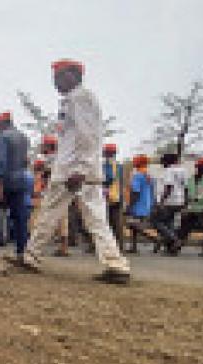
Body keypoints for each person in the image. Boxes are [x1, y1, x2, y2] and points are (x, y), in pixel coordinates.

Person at [22, 59, 130, 283]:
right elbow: (72, 139)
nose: (55, 83)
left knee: (65, 215)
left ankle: (31, 257)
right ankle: (116, 265)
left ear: (72, 75)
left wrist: (80, 169)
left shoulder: (81, 97)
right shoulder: (71, 100)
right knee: (83, 217)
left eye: (58, 77)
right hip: (73, 170)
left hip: (76, 172)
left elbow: (87, 135)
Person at [0, 112, 32, 260]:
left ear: (2, 124)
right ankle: (22, 250)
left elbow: (2, 162)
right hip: (22, 180)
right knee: (20, 217)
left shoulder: (3, 137)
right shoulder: (24, 137)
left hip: (8, 181)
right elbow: (26, 160)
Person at [177, 158, 203, 256]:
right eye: (199, 166)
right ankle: (175, 248)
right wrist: (186, 202)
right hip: (192, 208)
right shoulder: (191, 178)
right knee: (184, 228)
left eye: (202, 166)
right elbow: (186, 190)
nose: (200, 168)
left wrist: (197, 198)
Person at [152, 152, 186, 255]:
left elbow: (169, 187)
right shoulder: (183, 170)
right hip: (180, 200)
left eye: (163, 162)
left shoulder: (169, 171)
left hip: (170, 201)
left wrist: (161, 201)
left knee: (156, 221)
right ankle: (172, 248)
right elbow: (185, 186)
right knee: (169, 223)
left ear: (168, 161)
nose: (162, 164)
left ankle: (175, 239)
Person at [126, 155, 156, 254]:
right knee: (136, 226)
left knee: (134, 225)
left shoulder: (138, 175)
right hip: (146, 204)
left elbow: (135, 192)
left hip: (138, 205)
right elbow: (152, 191)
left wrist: (130, 205)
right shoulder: (148, 175)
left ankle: (155, 238)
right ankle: (133, 246)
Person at [102, 143, 124, 246]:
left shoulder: (106, 166)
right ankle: (118, 244)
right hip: (117, 197)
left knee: (104, 221)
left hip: (106, 197)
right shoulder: (119, 166)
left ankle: (106, 244)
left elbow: (107, 179)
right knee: (116, 222)